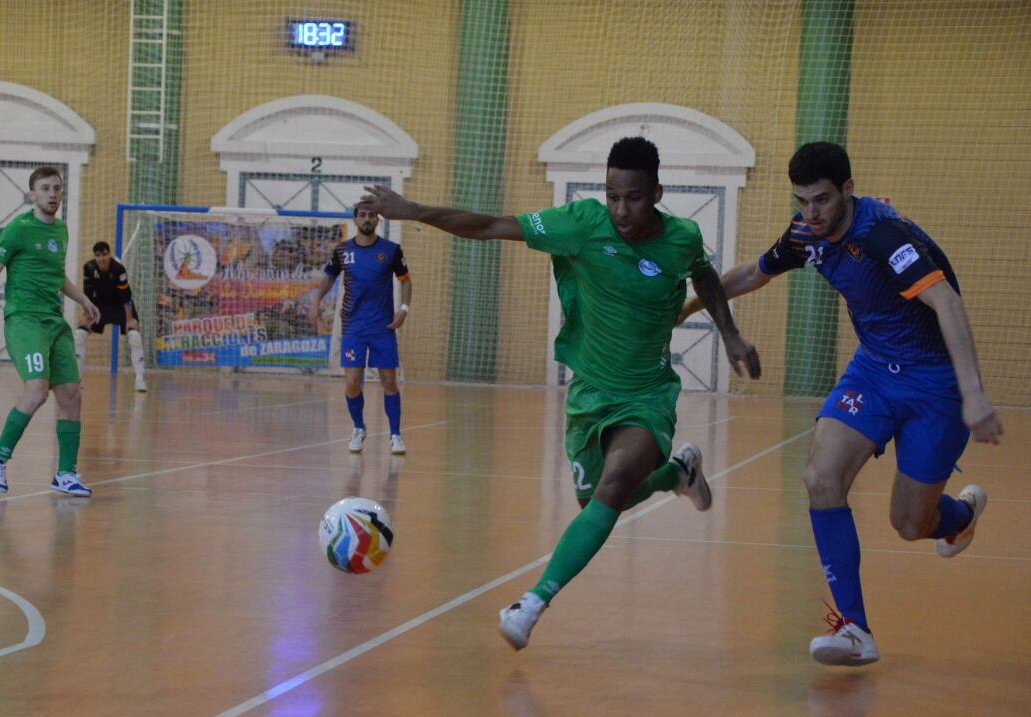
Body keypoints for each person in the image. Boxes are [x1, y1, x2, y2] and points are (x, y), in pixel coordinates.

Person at [362, 136, 762, 650]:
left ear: (657, 192)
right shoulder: (580, 224)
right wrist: (414, 211)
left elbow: (704, 277)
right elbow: (489, 226)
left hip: (647, 393)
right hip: (590, 394)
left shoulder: (681, 238)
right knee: (593, 500)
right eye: (613, 195)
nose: (621, 209)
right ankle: (676, 475)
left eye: (635, 197)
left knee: (614, 484)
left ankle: (531, 603)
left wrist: (729, 333)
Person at [678, 141, 1003, 666]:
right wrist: (689, 307)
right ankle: (855, 628)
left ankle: (959, 516)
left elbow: (945, 300)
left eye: (823, 200)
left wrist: (974, 394)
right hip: (874, 369)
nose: (812, 213)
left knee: (909, 524)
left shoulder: (882, 235)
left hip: (934, 382)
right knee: (820, 478)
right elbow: (754, 273)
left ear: (848, 190)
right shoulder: (806, 233)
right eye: (803, 200)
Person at [0, 166, 100, 497]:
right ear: (32, 194)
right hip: (24, 320)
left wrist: (84, 299)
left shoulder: (60, 230)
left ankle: (66, 474)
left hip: (53, 321)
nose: (52, 194)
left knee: (72, 394)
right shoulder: (18, 229)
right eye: (45, 188)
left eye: (57, 188)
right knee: (36, 392)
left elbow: (56, 276)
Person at [315, 202, 412, 455]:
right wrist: (316, 302)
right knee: (352, 383)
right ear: (355, 221)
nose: (367, 219)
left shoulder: (391, 250)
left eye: (371, 215)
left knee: (389, 381)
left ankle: (395, 435)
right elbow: (328, 277)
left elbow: (406, 281)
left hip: (383, 327)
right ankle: (359, 428)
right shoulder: (342, 251)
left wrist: (403, 308)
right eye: (362, 215)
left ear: (377, 220)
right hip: (353, 327)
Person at [74, 241, 148, 392]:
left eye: (104, 255)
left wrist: (129, 320)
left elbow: (126, 297)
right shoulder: (89, 267)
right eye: (98, 255)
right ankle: (77, 378)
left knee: (134, 336)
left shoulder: (118, 269)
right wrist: (87, 316)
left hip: (121, 306)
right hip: (100, 306)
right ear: (95, 257)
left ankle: (140, 380)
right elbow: (87, 295)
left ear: (109, 254)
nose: (101, 259)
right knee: (79, 334)